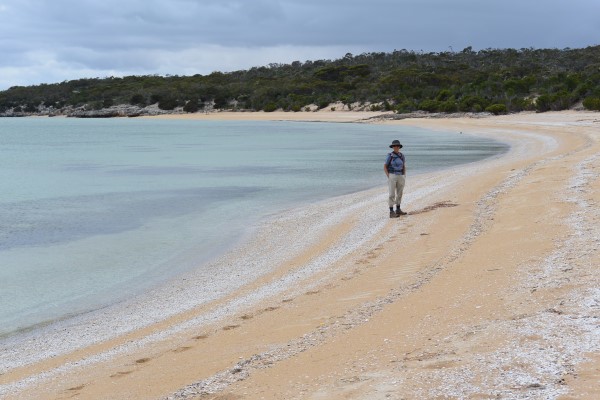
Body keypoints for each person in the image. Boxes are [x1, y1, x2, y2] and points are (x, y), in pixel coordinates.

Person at [384, 139, 407, 218]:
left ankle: (398, 209)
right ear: (393, 147)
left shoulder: (402, 155)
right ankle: (391, 212)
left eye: (397, 146)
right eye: (395, 146)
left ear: (399, 147)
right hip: (392, 175)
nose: (396, 147)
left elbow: (403, 165)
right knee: (392, 194)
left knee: (400, 193)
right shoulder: (390, 156)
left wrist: (404, 175)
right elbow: (385, 166)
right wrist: (389, 176)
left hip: (401, 175)